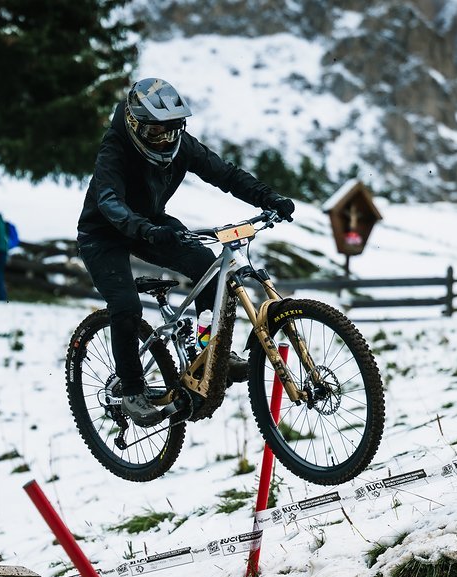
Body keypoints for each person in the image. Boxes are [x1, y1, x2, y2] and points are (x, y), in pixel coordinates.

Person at [77, 77, 295, 427]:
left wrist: (269, 197)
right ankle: (132, 389)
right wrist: (147, 230)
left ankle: (206, 354)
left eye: (172, 130)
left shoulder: (182, 146)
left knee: (211, 275)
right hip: (104, 234)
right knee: (126, 305)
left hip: (152, 224)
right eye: (155, 133)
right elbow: (110, 202)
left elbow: (227, 175)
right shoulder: (114, 148)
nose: (165, 140)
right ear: (134, 125)